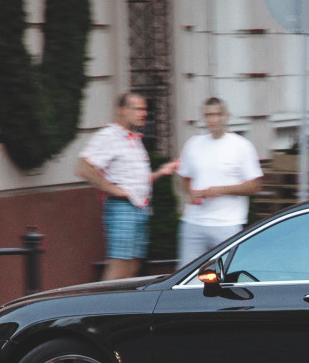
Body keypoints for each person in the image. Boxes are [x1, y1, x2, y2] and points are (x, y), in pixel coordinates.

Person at [76, 92, 178, 281]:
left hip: (140, 209)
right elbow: (83, 168)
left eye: (145, 109)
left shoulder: (134, 139)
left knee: (132, 269)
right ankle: (102, 309)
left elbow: (134, 181)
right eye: (138, 108)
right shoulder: (109, 136)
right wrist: (114, 189)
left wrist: (161, 172)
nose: (144, 113)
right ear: (121, 110)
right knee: (119, 269)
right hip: (122, 209)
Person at [176, 97, 264, 268]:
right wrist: (191, 193)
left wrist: (222, 189)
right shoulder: (193, 144)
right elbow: (185, 180)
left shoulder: (241, 146)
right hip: (193, 222)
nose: (212, 120)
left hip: (227, 224)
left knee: (228, 276)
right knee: (185, 277)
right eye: (208, 115)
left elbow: (255, 185)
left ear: (225, 116)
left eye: (216, 115)